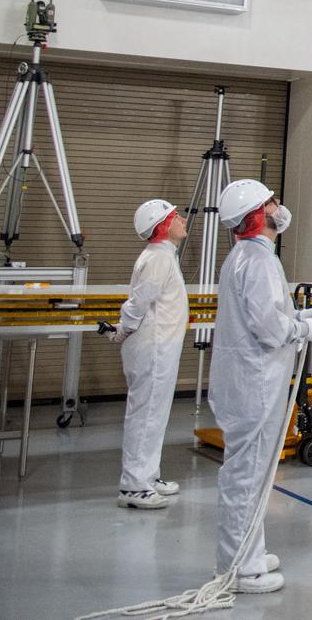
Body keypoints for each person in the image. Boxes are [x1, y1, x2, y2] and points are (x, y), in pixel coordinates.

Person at [210, 179, 312, 595]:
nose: (280, 207)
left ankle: (248, 552)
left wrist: (299, 323)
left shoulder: (247, 257)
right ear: (259, 215)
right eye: (272, 202)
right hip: (254, 383)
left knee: (252, 472)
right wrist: (302, 328)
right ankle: (241, 568)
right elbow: (268, 325)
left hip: (247, 380)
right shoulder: (256, 261)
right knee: (247, 475)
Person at [111, 198, 190, 510]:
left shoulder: (163, 256)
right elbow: (139, 303)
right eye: (175, 216)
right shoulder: (157, 258)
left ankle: (148, 475)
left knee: (154, 415)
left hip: (161, 346)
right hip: (153, 348)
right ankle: (133, 486)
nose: (182, 219)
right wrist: (124, 329)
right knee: (146, 416)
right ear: (163, 226)